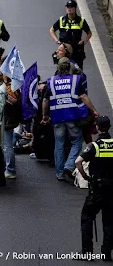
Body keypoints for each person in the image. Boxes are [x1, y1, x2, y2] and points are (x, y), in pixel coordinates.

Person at [42, 58, 98, 181]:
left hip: (57, 118)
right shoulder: (75, 80)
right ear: (69, 68)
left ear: (58, 68)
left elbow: (45, 101)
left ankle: (59, 173)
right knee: (77, 142)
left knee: (59, 145)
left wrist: (44, 116)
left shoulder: (51, 82)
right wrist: (94, 110)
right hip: (72, 117)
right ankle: (69, 164)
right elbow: (83, 96)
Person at [76, 116, 113, 260]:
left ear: (97, 128)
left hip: (97, 189)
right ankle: (106, 253)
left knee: (87, 217)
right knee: (109, 221)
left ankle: (87, 252)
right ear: (109, 127)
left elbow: (78, 162)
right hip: (112, 190)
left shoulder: (94, 146)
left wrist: (85, 177)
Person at [50, 0, 93, 70]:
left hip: (76, 50)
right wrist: (57, 41)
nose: (69, 9)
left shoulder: (81, 20)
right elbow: (52, 30)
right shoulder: (62, 20)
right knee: (62, 69)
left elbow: (89, 33)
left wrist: (84, 41)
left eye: (71, 7)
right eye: (68, 7)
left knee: (77, 70)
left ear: (75, 8)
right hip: (64, 51)